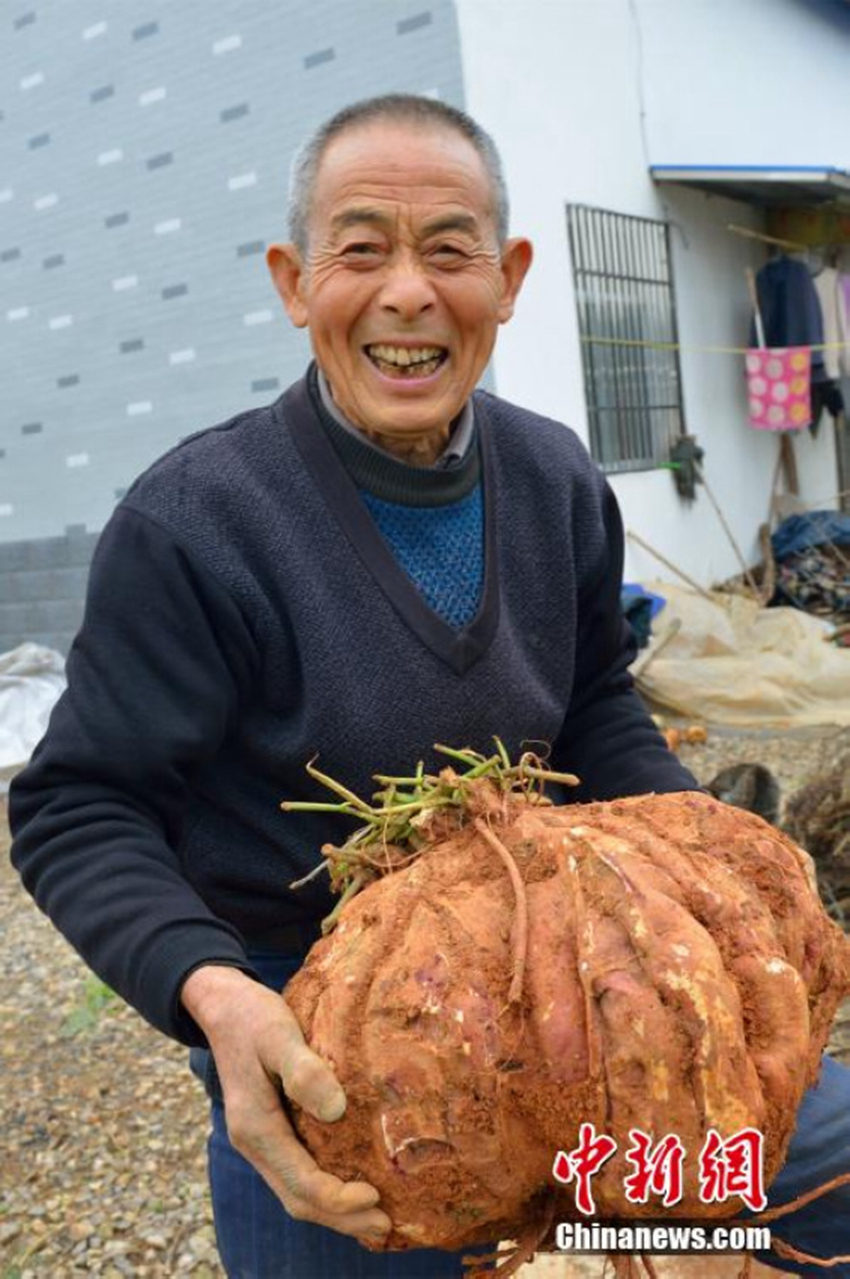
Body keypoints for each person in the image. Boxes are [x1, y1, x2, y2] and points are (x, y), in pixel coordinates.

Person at [9, 94, 850, 1279]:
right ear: (295, 282)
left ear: (506, 280)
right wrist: (210, 992)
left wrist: (690, 876)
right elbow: (78, 804)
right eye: (361, 248)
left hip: (581, 1011)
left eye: (447, 249)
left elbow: (594, 699)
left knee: (801, 1189)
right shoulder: (193, 525)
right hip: (341, 1064)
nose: (408, 292)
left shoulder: (555, 475)